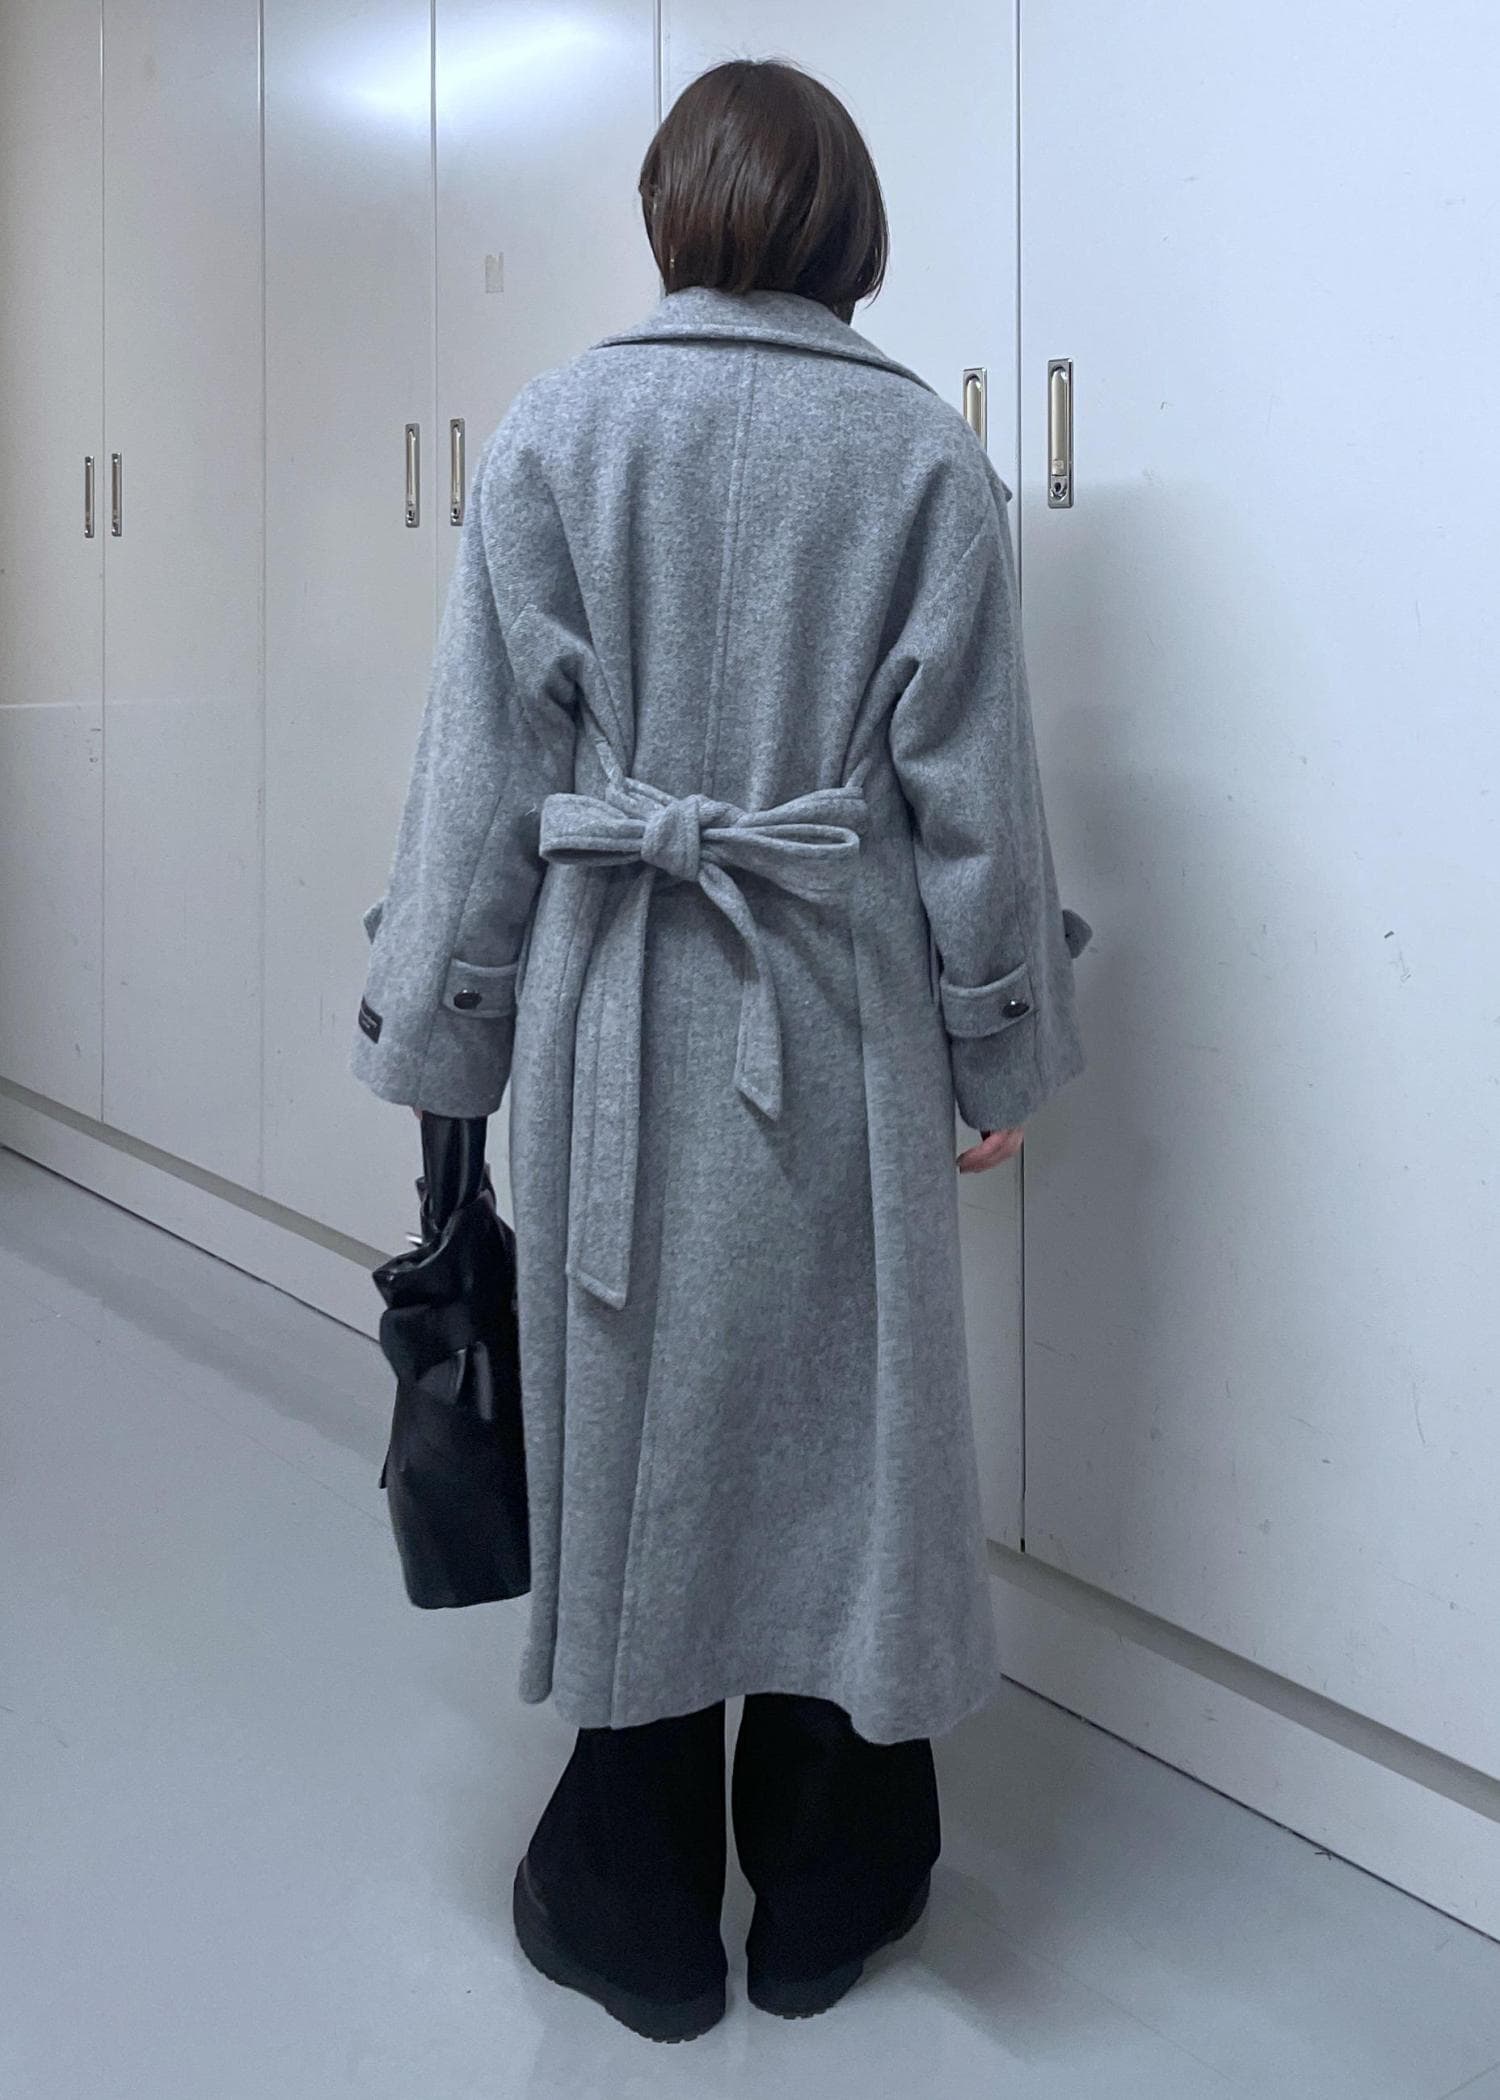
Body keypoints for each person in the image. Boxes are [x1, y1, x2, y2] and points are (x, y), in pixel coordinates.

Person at [350, 55, 1091, 2043]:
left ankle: (636, 1902)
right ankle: (836, 1887)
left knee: (633, 1433)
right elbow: (980, 810)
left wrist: (445, 1049)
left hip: (616, 1017)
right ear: (855, 231)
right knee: (854, 1442)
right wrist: (995, 1050)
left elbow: (478, 784)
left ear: (670, 214)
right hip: (839, 1017)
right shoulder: (920, 456)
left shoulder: (558, 430)